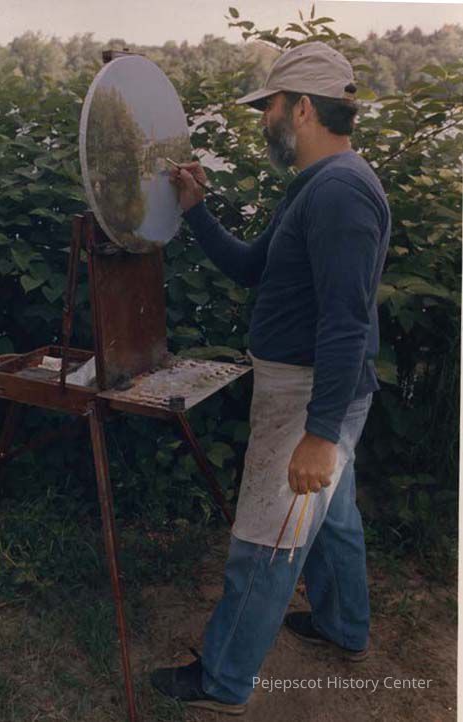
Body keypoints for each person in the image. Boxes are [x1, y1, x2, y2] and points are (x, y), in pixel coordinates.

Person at [150, 41, 391, 716]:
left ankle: (223, 681)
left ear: (303, 108)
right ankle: (342, 626)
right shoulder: (318, 184)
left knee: (268, 537)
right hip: (321, 389)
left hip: (311, 393)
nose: (264, 121)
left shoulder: (340, 193)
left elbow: (345, 322)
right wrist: (195, 209)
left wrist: (318, 434)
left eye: (270, 107)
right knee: (332, 518)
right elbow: (253, 268)